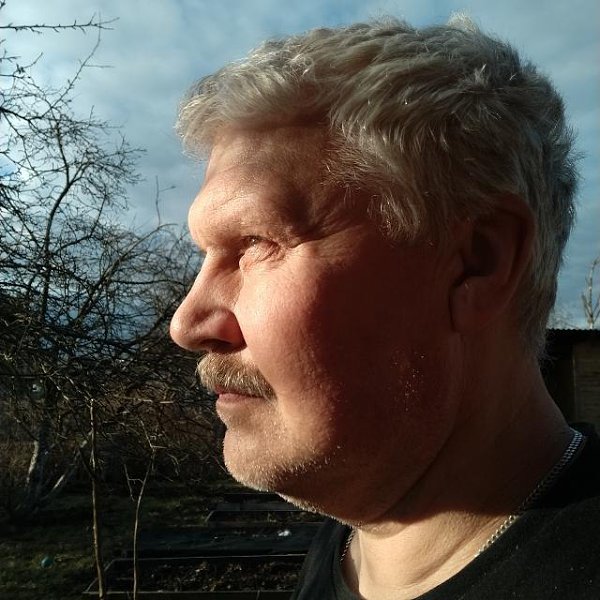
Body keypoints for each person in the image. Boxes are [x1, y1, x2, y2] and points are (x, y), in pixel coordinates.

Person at [169, 15, 600, 600]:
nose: (187, 324)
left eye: (255, 243)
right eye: (206, 255)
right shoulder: (343, 544)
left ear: (476, 263)